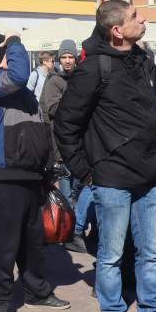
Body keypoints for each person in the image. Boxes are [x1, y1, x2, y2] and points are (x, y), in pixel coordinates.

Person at [55, 0, 156, 312]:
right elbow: (66, 124)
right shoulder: (93, 67)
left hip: (148, 177)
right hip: (110, 177)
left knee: (152, 252)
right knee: (111, 254)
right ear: (117, 31)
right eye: (134, 17)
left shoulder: (143, 60)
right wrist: (85, 172)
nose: (142, 19)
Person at [0, 32, 70, 312]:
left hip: (30, 172)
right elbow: (18, 74)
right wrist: (14, 42)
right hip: (5, 172)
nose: (10, 56)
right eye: (6, 52)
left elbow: (38, 127)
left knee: (32, 239)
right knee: (4, 241)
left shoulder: (17, 90)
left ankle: (36, 290)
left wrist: (47, 169)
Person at [40, 38, 91, 254]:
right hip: (60, 142)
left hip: (79, 141)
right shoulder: (55, 80)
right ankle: (70, 232)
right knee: (67, 190)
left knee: (80, 186)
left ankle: (72, 227)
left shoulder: (79, 76)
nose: (68, 61)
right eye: (64, 57)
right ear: (58, 59)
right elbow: (51, 108)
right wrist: (77, 105)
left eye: (71, 57)